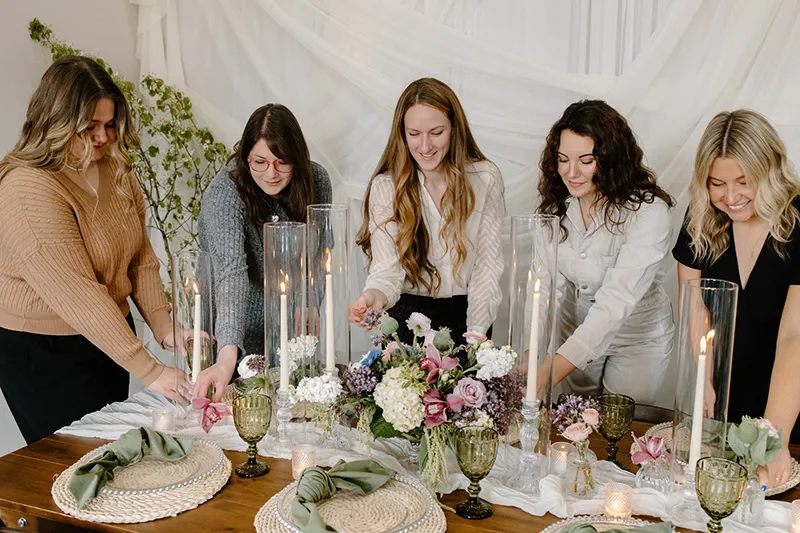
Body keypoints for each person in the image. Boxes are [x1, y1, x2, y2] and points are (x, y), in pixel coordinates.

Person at [0, 55, 187, 444]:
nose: (103, 137)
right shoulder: (27, 188)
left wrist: (164, 326)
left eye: (110, 124)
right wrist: (150, 371)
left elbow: (141, 258)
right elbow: (79, 294)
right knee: (74, 465)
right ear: (57, 122)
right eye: (89, 128)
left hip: (107, 337)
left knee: (109, 455)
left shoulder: (117, 169)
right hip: (43, 352)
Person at [673, 109, 800, 488]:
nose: (731, 197)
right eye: (717, 184)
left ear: (771, 170)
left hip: (787, 403)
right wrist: (705, 378)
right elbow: (694, 305)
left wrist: (774, 434)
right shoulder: (700, 219)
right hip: (724, 400)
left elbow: (795, 334)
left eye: (745, 182)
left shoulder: (797, 221)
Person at [537, 100, 675, 405]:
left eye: (585, 161)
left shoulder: (649, 212)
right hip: (573, 329)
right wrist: (533, 352)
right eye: (562, 159)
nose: (570, 173)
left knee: (621, 426)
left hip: (638, 338)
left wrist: (550, 372)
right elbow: (544, 289)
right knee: (576, 425)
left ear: (611, 158)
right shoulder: (554, 209)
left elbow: (616, 301)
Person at [349, 78, 504, 346]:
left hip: (468, 318)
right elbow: (387, 271)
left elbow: (487, 267)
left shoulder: (485, 178)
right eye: (414, 134)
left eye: (436, 132)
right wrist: (373, 295)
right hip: (405, 321)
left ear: (454, 129)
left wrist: (477, 336)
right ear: (402, 133)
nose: (425, 146)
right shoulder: (386, 187)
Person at [197, 104, 331, 400]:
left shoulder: (316, 180)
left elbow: (320, 255)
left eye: (282, 162)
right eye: (259, 162)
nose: (271, 174)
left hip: (289, 338)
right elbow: (231, 274)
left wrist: (311, 297)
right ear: (246, 158)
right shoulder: (225, 193)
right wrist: (227, 354)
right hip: (230, 339)